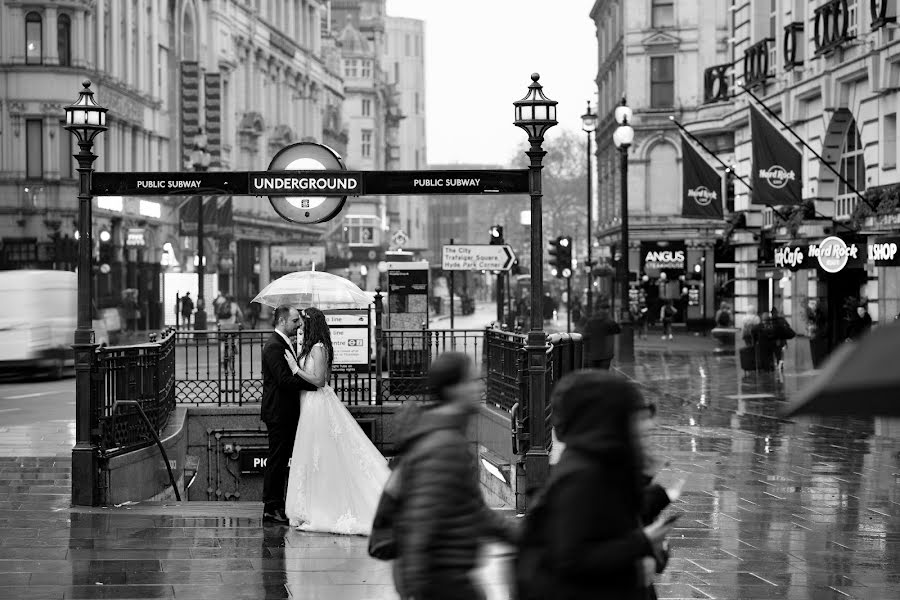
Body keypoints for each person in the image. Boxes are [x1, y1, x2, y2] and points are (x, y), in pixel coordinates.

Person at [516, 370, 677, 599]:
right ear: (610, 419)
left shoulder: (607, 464)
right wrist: (643, 541)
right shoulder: (583, 474)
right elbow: (572, 558)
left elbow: (609, 525)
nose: (649, 425)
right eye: (636, 417)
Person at [393, 352, 518, 600]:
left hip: (449, 574)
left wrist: (520, 535)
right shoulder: (445, 444)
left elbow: (472, 510)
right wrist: (414, 581)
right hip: (440, 578)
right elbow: (422, 516)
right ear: (453, 389)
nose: (479, 387)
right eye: (471, 381)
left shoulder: (446, 435)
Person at [283, 307, 390, 534]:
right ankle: (309, 507)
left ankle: (321, 508)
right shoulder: (312, 348)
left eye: (303, 323)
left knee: (320, 455)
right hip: (309, 405)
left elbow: (319, 381)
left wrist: (295, 369)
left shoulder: (319, 348)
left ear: (311, 325)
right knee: (312, 456)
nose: (300, 327)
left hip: (317, 405)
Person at [261, 305, 321, 525]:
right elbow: (284, 381)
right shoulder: (273, 346)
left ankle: (279, 503)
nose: (299, 325)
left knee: (282, 458)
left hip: (285, 412)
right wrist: (314, 385)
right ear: (282, 321)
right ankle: (271, 507)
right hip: (278, 413)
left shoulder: (283, 343)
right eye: (295, 321)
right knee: (277, 460)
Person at [581, 304, 621, 369]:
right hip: (605, 355)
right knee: (603, 375)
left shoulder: (590, 322)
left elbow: (584, 336)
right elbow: (617, 330)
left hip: (593, 354)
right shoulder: (609, 322)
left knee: (594, 374)